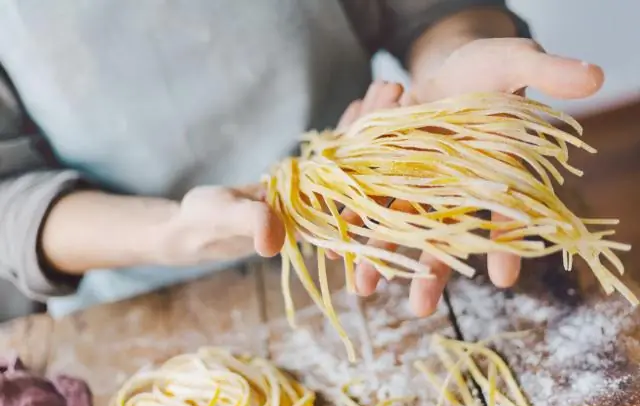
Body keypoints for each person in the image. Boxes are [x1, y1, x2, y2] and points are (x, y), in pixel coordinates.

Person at [0, 1, 604, 318]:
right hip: (133, 298)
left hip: (381, 233)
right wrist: (170, 233)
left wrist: (450, 99)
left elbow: (439, 10)